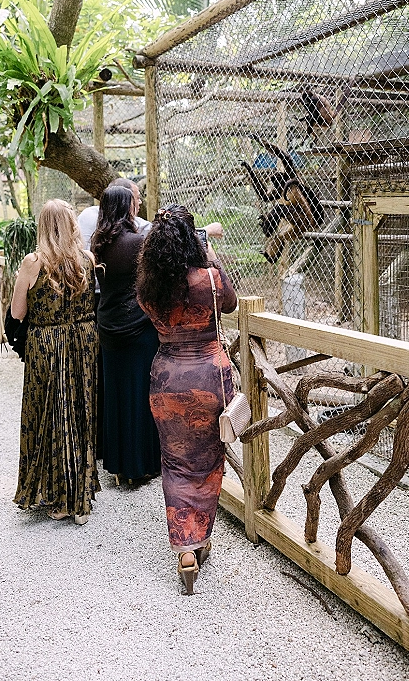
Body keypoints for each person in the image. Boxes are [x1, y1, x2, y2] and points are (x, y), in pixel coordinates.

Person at [136, 205, 237, 595]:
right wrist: (210, 254)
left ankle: (185, 549)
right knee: (209, 458)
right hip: (209, 376)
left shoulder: (149, 286)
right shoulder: (208, 279)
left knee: (175, 461)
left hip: (166, 377)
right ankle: (203, 536)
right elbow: (228, 302)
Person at [11, 199, 100, 524]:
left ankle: (63, 499)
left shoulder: (33, 263)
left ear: (43, 227)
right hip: (84, 341)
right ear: (73, 224)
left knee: (49, 412)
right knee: (79, 412)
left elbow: (17, 312)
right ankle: (79, 492)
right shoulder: (87, 260)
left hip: (47, 344)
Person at [91, 186, 161, 484]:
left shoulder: (98, 243)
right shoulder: (138, 242)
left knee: (116, 395)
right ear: (126, 207)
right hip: (137, 327)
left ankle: (118, 465)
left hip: (107, 324)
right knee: (140, 394)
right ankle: (139, 465)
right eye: (134, 202)